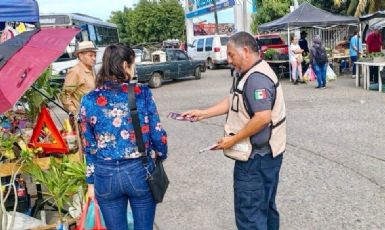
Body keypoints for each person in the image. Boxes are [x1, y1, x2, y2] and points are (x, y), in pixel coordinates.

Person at [182, 32, 286, 230]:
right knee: (265, 207)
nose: (229, 60)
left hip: (255, 160)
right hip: (266, 157)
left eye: (231, 55)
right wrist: (203, 113)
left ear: (245, 51)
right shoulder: (249, 73)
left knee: (250, 215)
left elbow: (262, 118)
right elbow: (234, 100)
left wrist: (233, 140)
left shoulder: (257, 79)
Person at [78, 44, 168, 230]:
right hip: (139, 171)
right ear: (126, 65)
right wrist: (161, 154)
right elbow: (157, 133)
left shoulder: (89, 99)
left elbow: (89, 146)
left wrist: (90, 182)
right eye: (133, 64)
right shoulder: (141, 93)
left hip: (105, 174)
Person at [60, 41, 97, 115]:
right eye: (90, 55)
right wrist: (73, 111)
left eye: (95, 55)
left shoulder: (92, 70)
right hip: (81, 116)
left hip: (93, 113)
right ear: (80, 56)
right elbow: (65, 95)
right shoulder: (75, 72)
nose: (94, 58)